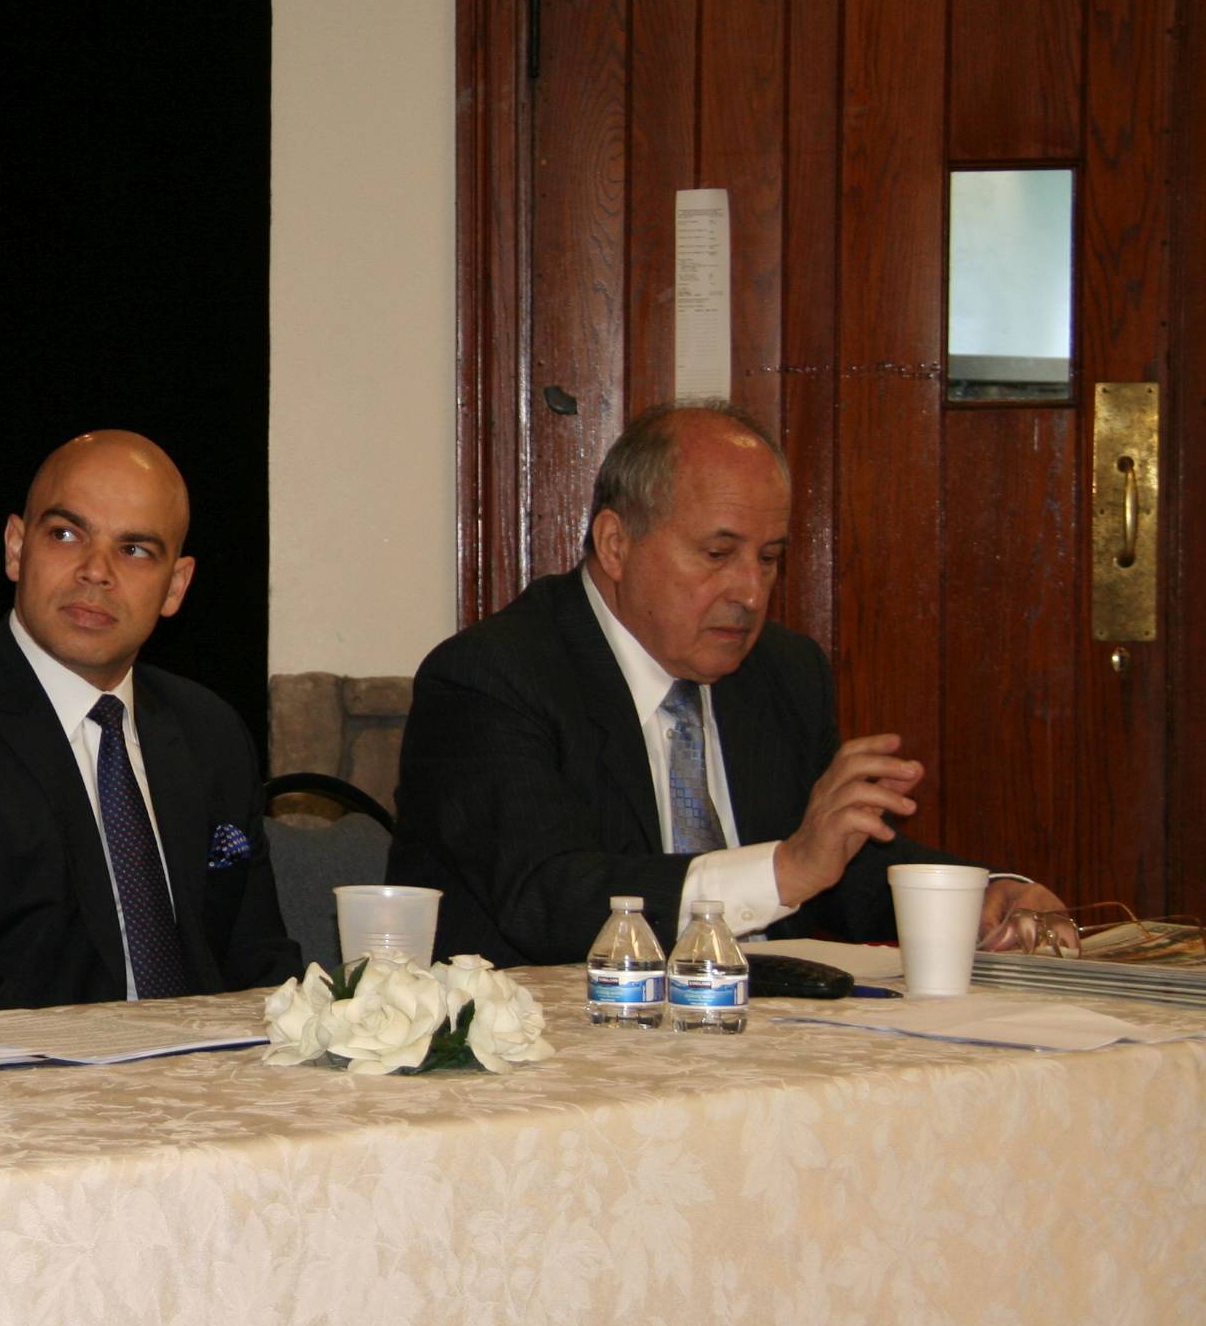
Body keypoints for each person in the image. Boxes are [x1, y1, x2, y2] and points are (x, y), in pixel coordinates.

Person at [389, 402, 1067, 967]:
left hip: (761, 1042)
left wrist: (978, 898)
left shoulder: (783, 671)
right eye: (718, 554)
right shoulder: (492, 678)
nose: (750, 591)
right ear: (616, 544)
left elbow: (833, 869)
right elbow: (551, 901)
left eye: (768, 558)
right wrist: (785, 870)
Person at [0, 430, 299, 1019]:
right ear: (15, 548)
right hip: (27, 1074)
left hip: (213, 1069)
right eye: (66, 535)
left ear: (175, 586)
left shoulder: (212, 733)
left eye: (134, 550)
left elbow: (264, 975)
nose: (96, 571)